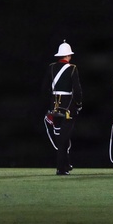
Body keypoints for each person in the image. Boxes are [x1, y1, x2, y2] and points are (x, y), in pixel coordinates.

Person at [43, 41, 83, 175]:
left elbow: (45, 88)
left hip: (54, 106)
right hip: (68, 107)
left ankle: (66, 164)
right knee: (64, 139)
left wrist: (50, 103)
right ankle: (61, 168)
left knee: (60, 137)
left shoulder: (51, 67)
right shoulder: (72, 68)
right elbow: (77, 89)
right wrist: (78, 104)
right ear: (68, 56)